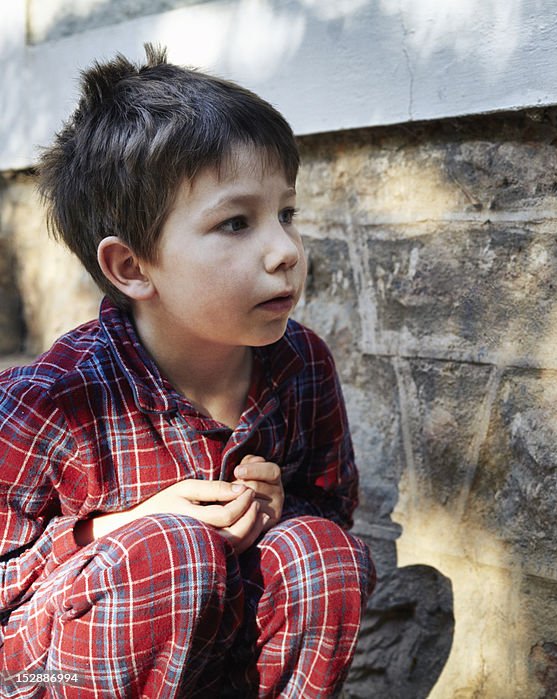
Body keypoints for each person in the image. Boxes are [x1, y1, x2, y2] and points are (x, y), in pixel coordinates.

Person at [0, 45, 374, 698]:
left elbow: (333, 501)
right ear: (132, 267)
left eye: (286, 214)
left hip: (217, 663)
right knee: (173, 551)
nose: (285, 251)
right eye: (236, 222)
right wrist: (112, 528)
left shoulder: (300, 366)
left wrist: (280, 504)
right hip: (68, 669)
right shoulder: (55, 401)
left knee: (322, 551)